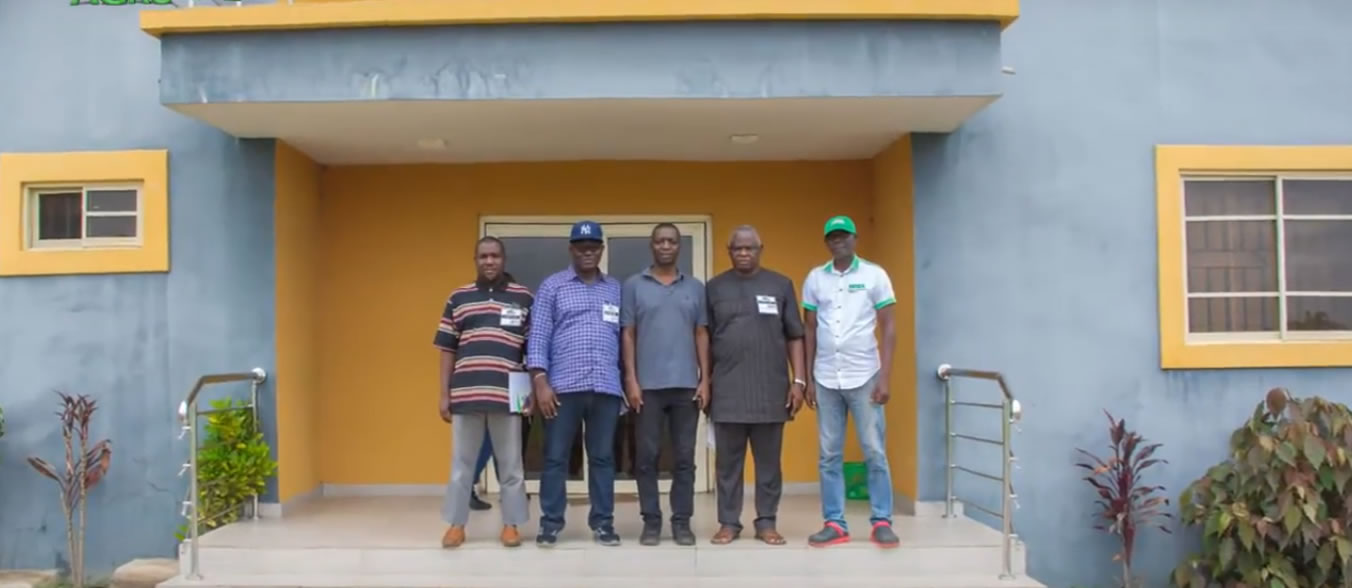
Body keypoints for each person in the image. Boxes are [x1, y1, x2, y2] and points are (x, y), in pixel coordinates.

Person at [802, 215, 900, 548]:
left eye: (844, 236)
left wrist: (885, 377)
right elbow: (809, 329)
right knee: (829, 454)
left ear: (855, 239)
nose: (839, 241)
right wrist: (807, 378)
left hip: (865, 377)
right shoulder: (816, 278)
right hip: (826, 378)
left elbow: (889, 327)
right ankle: (834, 523)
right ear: (826, 242)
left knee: (874, 451)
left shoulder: (875, 275)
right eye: (833, 237)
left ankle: (882, 520)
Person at [705, 225, 806, 546]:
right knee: (727, 466)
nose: (744, 253)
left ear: (760, 250)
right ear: (729, 251)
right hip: (727, 391)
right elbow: (704, 337)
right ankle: (728, 522)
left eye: (750, 248)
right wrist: (705, 380)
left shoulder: (780, 285)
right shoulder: (714, 288)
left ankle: (766, 522)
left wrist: (799, 380)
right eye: (738, 248)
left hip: (770, 391)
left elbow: (795, 336)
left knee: (768, 465)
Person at [526, 220, 625, 547]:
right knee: (555, 457)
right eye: (581, 247)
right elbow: (538, 336)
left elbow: (624, 338)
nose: (587, 253)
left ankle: (604, 523)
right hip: (562, 389)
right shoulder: (553, 286)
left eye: (593, 247)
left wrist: (627, 382)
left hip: (605, 386)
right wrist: (540, 381)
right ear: (571, 250)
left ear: (601, 250)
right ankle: (551, 524)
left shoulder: (615, 288)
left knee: (603, 458)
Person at [434, 236, 533, 548]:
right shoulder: (458, 298)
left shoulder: (523, 297)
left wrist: (528, 395)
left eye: (495, 256)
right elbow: (447, 349)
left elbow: (532, 350)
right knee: (461, 467)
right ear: (475, 260)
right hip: (466, 394)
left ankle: (511, 525)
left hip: (509, 395)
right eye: (483, 256)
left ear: (504, 260)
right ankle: (456, 525)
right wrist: (444, 394)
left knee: (511, 466)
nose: (489, 261)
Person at [620, 223, 710, 547]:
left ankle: (682, 522)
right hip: (647, 388)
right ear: (652, 245)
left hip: (686, 386)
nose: (666, 246)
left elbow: (701, 333)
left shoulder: (696, 288)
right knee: (646, 457)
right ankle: (651, 521)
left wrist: (705, 379)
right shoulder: (634, 285)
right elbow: (628, 333)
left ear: (679, 246)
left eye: (671, 241)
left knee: (684, 458)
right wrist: (631, 379)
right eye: (660, 241)